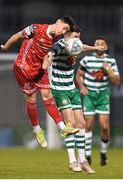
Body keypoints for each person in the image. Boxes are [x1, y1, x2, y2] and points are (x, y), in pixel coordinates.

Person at [0, 15, 80, 148]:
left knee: (47, 96)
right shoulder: (36, 28)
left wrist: (47, 60)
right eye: (64, 28)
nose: (63, 31)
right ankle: (37, 130)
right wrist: (6, 46)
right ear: (58, 22)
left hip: (39, 69)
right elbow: (18, 35)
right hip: (23, 68)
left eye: (66, 30)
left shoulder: (56, 38)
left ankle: (63, 128)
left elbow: (48, 53)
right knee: (32, 100)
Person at [43, 26, 104, 173]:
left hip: (71, 88)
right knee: (70, 125)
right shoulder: (61, 44)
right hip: (59, 89)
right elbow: (52, 51)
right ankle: (72, 161)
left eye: (79, 37)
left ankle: (83, 161)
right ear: (67, 36)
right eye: (75, 36)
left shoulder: (75, 45)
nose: (77, 40)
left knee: (81, 123)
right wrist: (48, 58)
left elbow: (83, 47)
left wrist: (95, 48)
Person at [76, 37, 121, 165]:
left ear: (106, 47)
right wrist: (82, 87)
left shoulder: (110, 61)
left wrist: (110, 71)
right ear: (94, 46)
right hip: (90, 95)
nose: (100, 46)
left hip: (103, 95)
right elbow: (78, 75)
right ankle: (88, 156)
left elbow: (117, 82)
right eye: (97, 44)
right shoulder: (87, 59)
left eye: (102, 44)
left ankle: (103, 152)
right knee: (88, 125)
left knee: (105, 126)